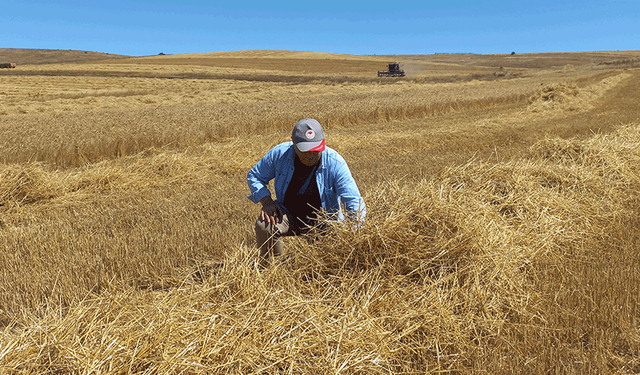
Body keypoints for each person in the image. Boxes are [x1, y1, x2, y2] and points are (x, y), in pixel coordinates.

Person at [247, 118, 366, 264]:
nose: (311, 155)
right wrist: (266, 201)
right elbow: (254, 175)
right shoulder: (280, 154)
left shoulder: (335, 163)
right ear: (294, 144)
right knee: (264, 225)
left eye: (316, 150)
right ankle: (272, 267)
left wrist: (356, 233)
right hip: (289, 214)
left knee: (326, 264)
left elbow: (353, 200)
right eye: (305, 151)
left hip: (324, 221)